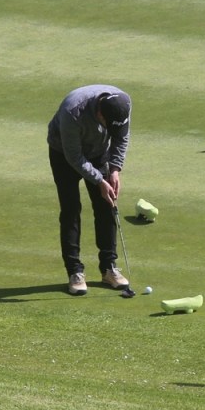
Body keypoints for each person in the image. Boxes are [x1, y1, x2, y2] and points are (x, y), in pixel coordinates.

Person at [47, 85, 132, 295]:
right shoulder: (73, 111)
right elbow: (74, 157)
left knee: (106, 205)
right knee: (71, 209)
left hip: (98, 152)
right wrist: (99, 181)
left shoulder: (123, 104)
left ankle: (109, 268)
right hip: (63, 153)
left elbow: (121, 138)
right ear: (100, 113)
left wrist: (115, 170)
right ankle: (75, 272)